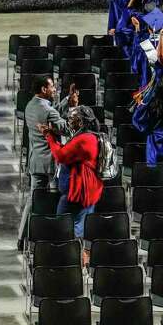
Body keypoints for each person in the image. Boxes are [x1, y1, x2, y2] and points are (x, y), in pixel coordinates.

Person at [39, 105, 103, 264]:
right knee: (79, 225)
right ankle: (79, 259)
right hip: (88, 189)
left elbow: (60, 155)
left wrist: (49, 136)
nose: (68, 121)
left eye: (71, 118)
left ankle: (69, 259)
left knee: (62, 224)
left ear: (80, 122)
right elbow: (68, 151)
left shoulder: (83, 139)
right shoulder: (88, 136)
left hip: (80, 190)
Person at [18, 75, 70, 248]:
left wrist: (66, 101)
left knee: (33, 200)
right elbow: (66, 127)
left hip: (35, 162)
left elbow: (51, 112)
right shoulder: (49, 111)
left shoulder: (30, 106)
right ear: (43, 89)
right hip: (51, 165)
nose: (54, 89)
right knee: (56, 201)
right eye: (52, 87)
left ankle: (21, 237)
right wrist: (73, 109)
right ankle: (53, 238)